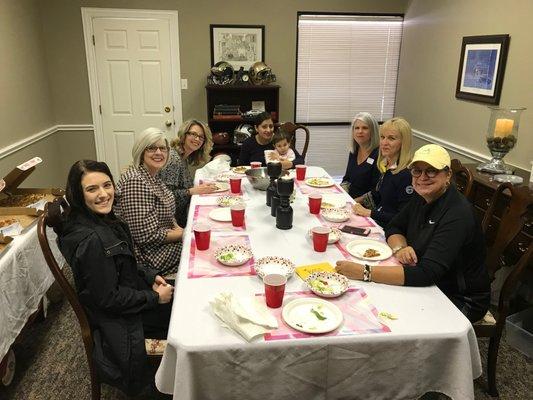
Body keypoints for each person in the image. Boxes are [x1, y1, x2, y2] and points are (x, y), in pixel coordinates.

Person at [56, 160, 173, 395]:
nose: (103, 194)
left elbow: (126, 262)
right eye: (92, 189)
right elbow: (108, 299)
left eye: (107, 185)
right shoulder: (93, 241)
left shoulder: (102, 221)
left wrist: (151, 276)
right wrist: (153, 298)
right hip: (120, 321)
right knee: (186, 319)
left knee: (186, 298)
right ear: (78, 194)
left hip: (129, 298)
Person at [336, 145, 490, 322]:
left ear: (448, 175)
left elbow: (427, 273)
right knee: (367, 304)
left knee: (390, 318)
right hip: (427, 279)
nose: (423, 178)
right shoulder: (421, 195)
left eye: (432, 171)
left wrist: (365, 272)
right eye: (417, 171)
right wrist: (400, 247)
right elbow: (394, 227)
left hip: (458, 298)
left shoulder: (457, 214)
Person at [115, 128, 183, 275]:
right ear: (141, 151)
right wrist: (186, 234)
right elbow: (146, 236)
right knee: (200, 250)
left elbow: (168, 212)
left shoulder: (152, 176)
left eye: (163, 148)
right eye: (152, 148)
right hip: (148, 256)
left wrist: (180, 230)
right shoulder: (135, 181)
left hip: (160, 244)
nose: (159, 153)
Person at [352, 117, 414, 227]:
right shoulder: (386, 165)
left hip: (390, 229)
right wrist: (351, 201)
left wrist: (369, 213)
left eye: (391, 138)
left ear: (403, 142)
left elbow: (403, 218)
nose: (384, 143)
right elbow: (378, 194)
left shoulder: (406, 175)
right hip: (377, 220)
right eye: (382, 137)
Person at [160, 119, 217, 227]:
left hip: (179, 216)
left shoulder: (183, 157)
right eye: (193, 134)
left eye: (201, 137)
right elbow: (165, 197)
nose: (197, 139)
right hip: (170, 223)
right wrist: (192, 191)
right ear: (184, 135)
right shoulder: (174, 159)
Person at [238, 112, 304, 169]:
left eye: (271, 126)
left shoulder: (279, 139)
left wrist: (290, 164)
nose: (269, 130)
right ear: (256, 128)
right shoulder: (248, 143)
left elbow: (300, 160)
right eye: (264, 127)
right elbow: (241, 166)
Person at [340, 112, 381, 198]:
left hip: (366, 206)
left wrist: (354, 202)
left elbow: (377, 191)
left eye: (365, 128)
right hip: (350, 198)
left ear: (373, 131)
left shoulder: (379, 154)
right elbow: (347, 179)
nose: (360, 131)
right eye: (357, 128)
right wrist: (341, 195)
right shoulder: (354, 151)